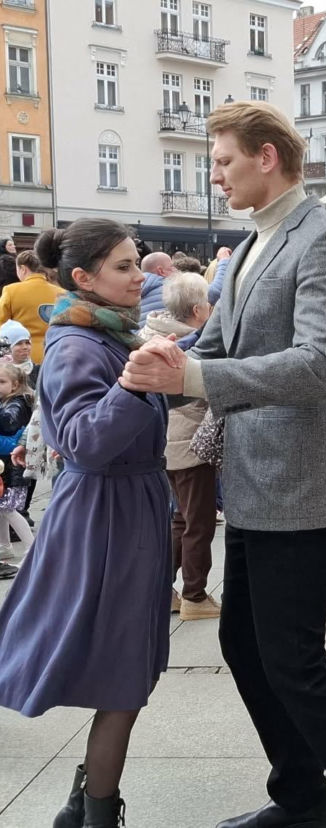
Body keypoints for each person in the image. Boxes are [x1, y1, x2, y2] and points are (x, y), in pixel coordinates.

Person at [120, 100, 326, 828]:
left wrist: (189, 380)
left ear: (267, 157)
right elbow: (217, 345)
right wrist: (168, 360)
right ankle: (301, 799)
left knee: (295, 662)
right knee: (243, 643)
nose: (214, 175)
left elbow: (319, 368)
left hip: (299, 482)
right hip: (254, 479)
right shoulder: (253, 244)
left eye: (223, 161)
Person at [0, 219, 171, 827]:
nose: (138, 275)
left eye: (137, 262)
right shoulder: (78, 343)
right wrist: (135, 379)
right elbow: (82, 440)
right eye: (123, 266)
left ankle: (85, 801)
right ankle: (95, 814)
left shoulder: (112, 333)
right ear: (83, 278)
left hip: (130, 508)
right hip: (106, 517)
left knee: (131, 667)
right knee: (123, 678)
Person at [142, 273, 220, 622]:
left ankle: (163, 589)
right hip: (189, 443)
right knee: (198, 523)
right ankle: (195, 595)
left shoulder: (151, 330)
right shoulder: (191, 343)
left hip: (165, 444)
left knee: (180, 518)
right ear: (197, 309)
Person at [0, 250, 64, 366]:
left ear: (23, 269)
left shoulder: (11, 291)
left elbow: (1, 325)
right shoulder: (62, 293)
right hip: (56, 355)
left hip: (22, 358)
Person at [0, 362, 33, 560]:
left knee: (9, 510)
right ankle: (4, 545)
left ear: (15, 385)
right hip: (6, 467)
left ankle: (33, 547)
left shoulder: (17, 403)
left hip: (14, 467)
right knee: (2, 509)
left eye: (1, 382)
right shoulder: (7, 402)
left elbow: (9, 423)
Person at [138, 251, 178, 325]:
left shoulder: (130, 292)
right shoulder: (173, 292)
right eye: (172, 267)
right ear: (161, 271)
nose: (175, 270)